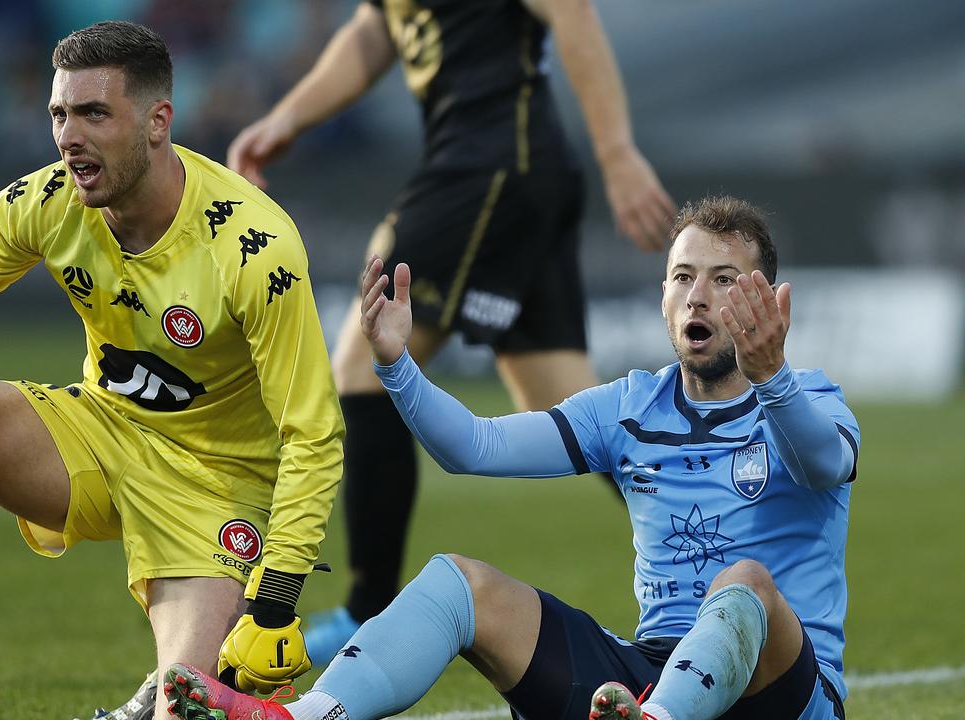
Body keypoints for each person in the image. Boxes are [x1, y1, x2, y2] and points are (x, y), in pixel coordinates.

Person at [0, 21, 343, 720]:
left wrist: (274, 607)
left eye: (93, 113)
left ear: (158, 122)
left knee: (190, 707)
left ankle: (172, 687)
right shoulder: (51, 198)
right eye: (59, 113)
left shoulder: (254, 248)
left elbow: (313, 433)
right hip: (100, 433)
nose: (68, 136)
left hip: (219, 488)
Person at [160, 195, 858, 720]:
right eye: (681, 277)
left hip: (786, 693)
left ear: (768, 298)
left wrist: (773, 380)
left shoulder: (812, 401)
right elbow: (474, 446)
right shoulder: (627, 407)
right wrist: (398, 363)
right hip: (648, 677)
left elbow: (823, 464)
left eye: (724, 278)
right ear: (664, 298)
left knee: (746, 579)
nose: (697, 295)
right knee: (456, 582)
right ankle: (302, 716)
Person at [225, 0, 677, 664]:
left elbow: (573, 13)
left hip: (488, 164)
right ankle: (732, 542)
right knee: (565, 405)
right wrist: (289, 118)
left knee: (359, 370)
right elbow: (376, 30)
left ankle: (364, 610)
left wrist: (618, 154)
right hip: (508, 166)